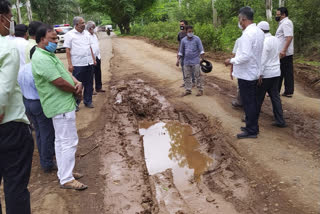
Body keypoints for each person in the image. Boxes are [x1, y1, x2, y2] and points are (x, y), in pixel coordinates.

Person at [32, 24, 87, 190]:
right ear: (42, 39)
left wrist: (76, 82)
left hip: (63, 104)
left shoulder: (49, 54)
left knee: (61, 142)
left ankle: (65, 173)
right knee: (69, 142)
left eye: (56, 38)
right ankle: (66, 179)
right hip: (60, 106)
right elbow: (58, 82)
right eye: (53, 39)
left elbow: (64, 74)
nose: (56, 41)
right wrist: (76, 91)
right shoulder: (41, 58)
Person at [0, 1, 34, 213]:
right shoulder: (7, 47)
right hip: (10, 127)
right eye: (9, 18)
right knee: (15, 187)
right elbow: (3, 92)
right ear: (1, 18)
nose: (9, 23)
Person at [18, 21, 56, 173]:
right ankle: (47, 162)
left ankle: (44, 158)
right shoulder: (37, 69)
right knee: (47, 133)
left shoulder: (23, 70)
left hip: (27, 103)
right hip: (38, 103)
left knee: (39, 133)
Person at [224, 6, 264, 139]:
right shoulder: (259, 31)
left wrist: (231, 60)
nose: (239, 22)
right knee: (251, 102)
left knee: (249, 103)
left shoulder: (247, 34)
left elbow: (245, 56)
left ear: (243, 19)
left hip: (247, 75)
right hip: (253, 72)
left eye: (239, 19)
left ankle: (251, 130)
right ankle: (250, 126)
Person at [257, 21, 287, 128]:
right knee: (275, 97)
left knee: (258, 97)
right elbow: (279, 54)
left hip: (266, 74)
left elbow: (263, 59)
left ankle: (251, 118)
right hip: (276, 72)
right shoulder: (275, 39)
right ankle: (280, 120)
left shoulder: (264, 42)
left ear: (260, 30)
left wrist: (259, 74)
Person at [64, 16, 96, 110]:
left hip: (88, 63)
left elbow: (89, 47)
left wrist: (93, 59)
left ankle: (88, 101)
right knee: (78, 85)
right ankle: (76, 103)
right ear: (76, 24)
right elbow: (67, 50)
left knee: (89, 84)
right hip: (78, 64)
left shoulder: (86, 33)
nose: (84, 24)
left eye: (84, 23)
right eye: (82, 23)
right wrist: (70, 64)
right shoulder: (70, 35)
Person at [178, 25, 205, 97]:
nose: (191, 33)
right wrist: (178, 60)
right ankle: (188, 90)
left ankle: (200, 90)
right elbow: (181, 51)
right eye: (189, 31)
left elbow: (201, 49)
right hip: (186, 61)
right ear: (186, 32)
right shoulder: (183, 40)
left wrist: (203, 59)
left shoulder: (197, 39)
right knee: (187, 76)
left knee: (197, 76)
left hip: (195, 60)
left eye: (192, 31)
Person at [275, 7, 294, 98]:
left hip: (285, 53)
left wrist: (284, 50)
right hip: (282, 52)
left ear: (283, 15)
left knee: (285, 72)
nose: (276, 16)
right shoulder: (282, 23)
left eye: (278, 14)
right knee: (282, 71)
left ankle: (288, 91)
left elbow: (289, 37)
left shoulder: (286, 23)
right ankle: (280, 90)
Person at [86, 21, 105, 93]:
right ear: (90, 28)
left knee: (98, 72)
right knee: (91, 75)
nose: (94, 29)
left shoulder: (94, 35)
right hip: (91, 58)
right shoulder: (86, 36)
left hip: (97, 56)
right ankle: (91, 90)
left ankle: (98, 87)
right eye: (93, 27)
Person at [176, 20, 195, 87]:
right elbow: (179, 44)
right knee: (183, 68)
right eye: (180, 24)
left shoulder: (189, 33)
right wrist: (178, 54)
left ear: (186, 25)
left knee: (191, 68)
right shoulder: (179, 34)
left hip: (189, 53)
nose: (181, 25)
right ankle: (186, 82)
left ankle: (193, 82)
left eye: (183, 24)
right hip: (182, 54)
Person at [230, 38, 243, 108]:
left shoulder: (239, 40)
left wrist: (231, 68)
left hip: (243, 69)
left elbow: (234, 55)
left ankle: (240, 102)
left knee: (241, 86)